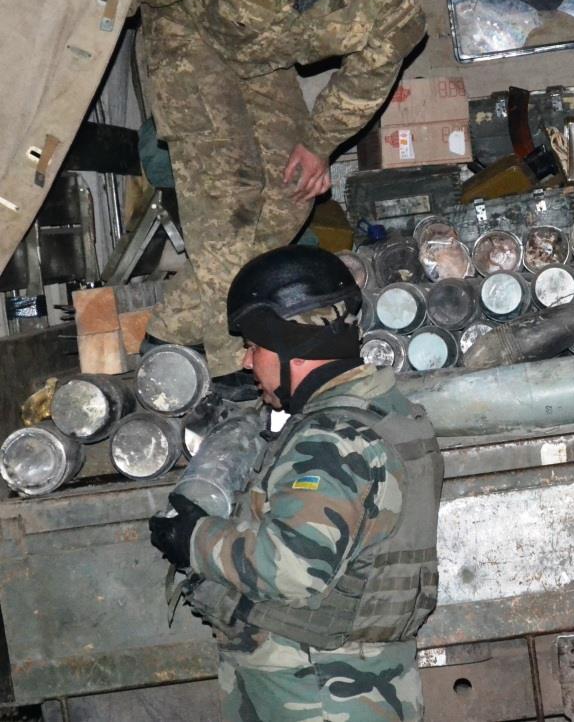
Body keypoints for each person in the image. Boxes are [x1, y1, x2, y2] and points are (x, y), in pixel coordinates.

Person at [149, 245, 444, 721]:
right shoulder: (386, 413)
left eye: (254, 346)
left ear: (292, 345)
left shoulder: (331, 439)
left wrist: (193, 539)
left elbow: (291, 569)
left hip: (318, 691)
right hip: (353, 684)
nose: (247, 362)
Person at [135, 0, 426, 387]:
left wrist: (319, 144)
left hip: (262, 60)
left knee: (293, 193)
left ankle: (170, 332)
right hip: (188, 35)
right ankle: (229, 360)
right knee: (230, 197)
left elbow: (371, 75)